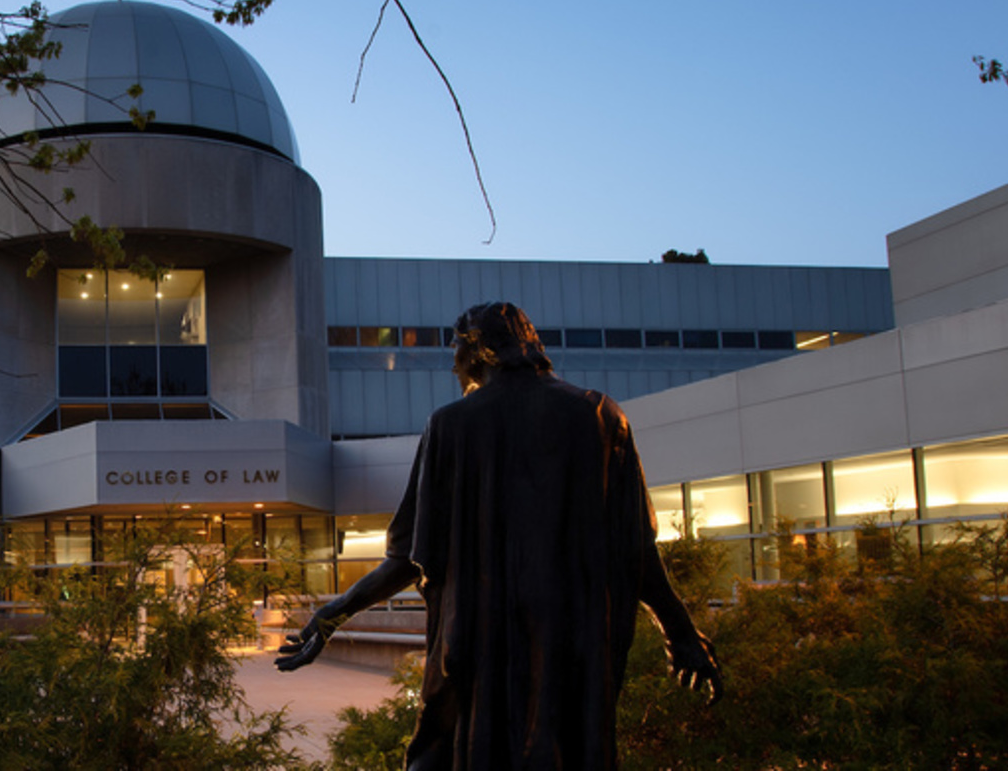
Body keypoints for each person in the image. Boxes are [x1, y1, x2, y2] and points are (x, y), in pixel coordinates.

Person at [277, 301, 720, 769]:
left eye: (456, 349)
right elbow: (635, 552)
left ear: (479, 351)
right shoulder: (598, 415)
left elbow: (409, 557)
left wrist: (333, 614)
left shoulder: (451, 425)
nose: (452, 364)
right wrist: (680, 632)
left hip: (479, 655)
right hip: (572, 653)